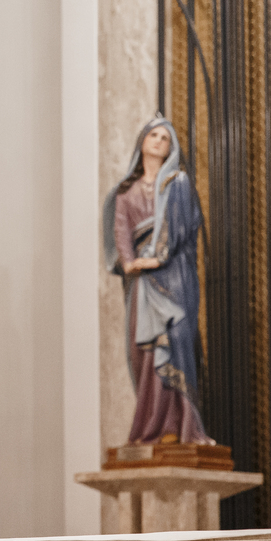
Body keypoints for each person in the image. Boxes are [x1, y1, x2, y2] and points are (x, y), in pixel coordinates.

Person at [103, 116, 213, 445]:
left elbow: (184, 228)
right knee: (146, 352)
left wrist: (158, 256)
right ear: (141, 141)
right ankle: (153, 428)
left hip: (175, 276)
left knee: (177, 343)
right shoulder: (125, 193)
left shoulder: (177, 183)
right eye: (153, 134)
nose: (159, 141)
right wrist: (131, 262)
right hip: (143, 283)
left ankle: (185, 429)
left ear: (172, 147)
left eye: (166, 137)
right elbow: (121, 233)